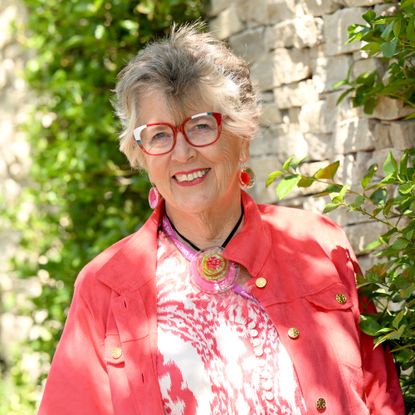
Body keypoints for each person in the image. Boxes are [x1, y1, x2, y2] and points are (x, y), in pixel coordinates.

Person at [38, 23, 405, 415]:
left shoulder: (319, 244)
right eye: (159, 135)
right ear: (139, 153)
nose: (182, 154)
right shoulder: (106, 285)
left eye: (200, 126)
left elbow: (381, 398)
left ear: (241, 135)